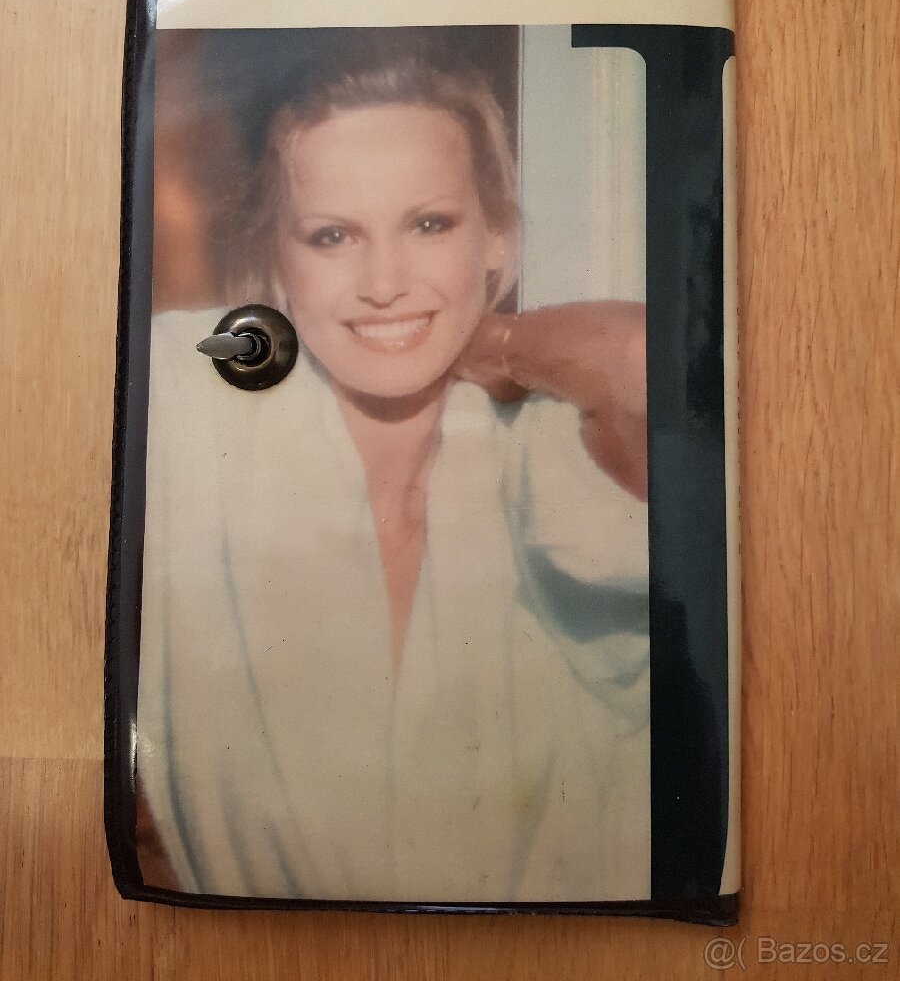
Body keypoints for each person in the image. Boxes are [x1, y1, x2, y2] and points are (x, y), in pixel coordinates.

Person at [136, 45, 651, 903]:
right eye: (332, 236)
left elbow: (637, 361)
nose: (384, 283)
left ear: (496, 237)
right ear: (277, 261)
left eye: (429, 225)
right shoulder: (201, 400)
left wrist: (490, 340)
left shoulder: (541, 451)